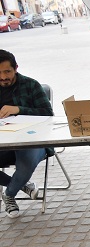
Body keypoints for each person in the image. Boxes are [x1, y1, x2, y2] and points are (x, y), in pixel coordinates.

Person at [0, 49, 52, 218]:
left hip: (32, 141)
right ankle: (21, 184)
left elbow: (48, 114)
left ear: (16, 68)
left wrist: (19, 110)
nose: (3, 77)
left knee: (26, 163)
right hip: (3, 143)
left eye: (7, 71)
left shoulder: (31, 85)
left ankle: (9, 193)